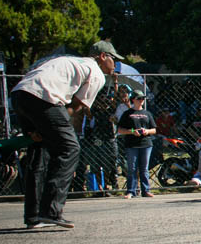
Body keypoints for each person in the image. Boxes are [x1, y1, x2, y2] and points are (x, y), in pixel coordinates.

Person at [11, 40, 120, 228]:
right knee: (69, 148)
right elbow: (75, 107)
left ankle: (33, 216)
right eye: (113, 59)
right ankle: (51, 211)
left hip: (20, 95)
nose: (115, 64)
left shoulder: (70, 61)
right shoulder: (96, 72)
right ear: (103, 57)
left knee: (38, 152)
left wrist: (44, 128)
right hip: (44, 99)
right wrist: (62, 127)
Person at [117, 89, 157, 198]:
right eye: (139, 98)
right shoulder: (127, 114)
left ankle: (146, 190)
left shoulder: (147, 113)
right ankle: (131, 191)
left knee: (144, 168)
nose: (141, 100)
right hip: (131, 144)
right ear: (133, 99)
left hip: (146, 143)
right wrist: (132, 132)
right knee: (132, 168)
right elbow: (120, 129)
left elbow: (154, 130)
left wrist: (147, 131)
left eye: (143, 99)